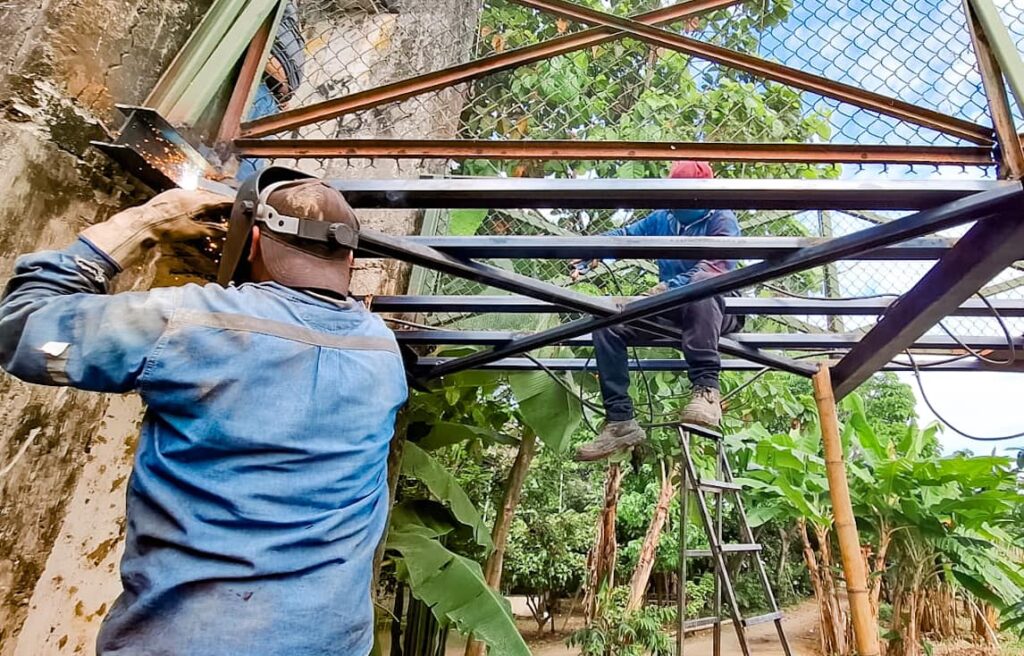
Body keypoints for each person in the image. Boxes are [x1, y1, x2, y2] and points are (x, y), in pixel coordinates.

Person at [0, 167, 408, 655]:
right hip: (331, 644)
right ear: (350, 258)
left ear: (252, 242)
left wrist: (145, 223)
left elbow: (20, 331)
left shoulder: (189, 322)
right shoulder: (382, 351)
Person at [573, 160, 743, 462]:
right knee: (607, 321)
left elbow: (715, 268)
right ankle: (620, 421)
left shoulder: (722, 218)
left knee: (703, 284)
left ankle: (706, 391)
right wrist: (596, 250)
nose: (679, 203)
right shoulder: (663, 217)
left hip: (717, 306)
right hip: (670, 307)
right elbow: (627, 236)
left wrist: (668, 288)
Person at [238, 0, 305, 180]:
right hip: (256, 81)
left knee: (249, 158)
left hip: (271, 95)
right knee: (238, 162)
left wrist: (284, 91)